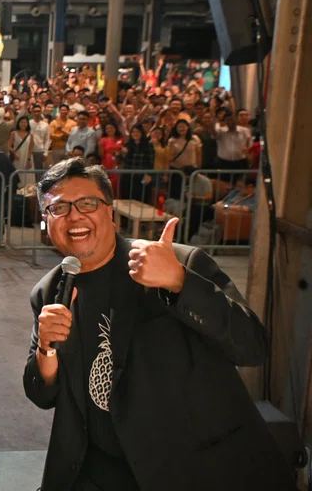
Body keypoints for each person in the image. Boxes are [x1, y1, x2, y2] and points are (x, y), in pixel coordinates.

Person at [22, 158, 293, 490]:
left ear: (110, 210)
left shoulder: (177, 262)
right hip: (99, 471)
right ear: (45, 221)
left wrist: (180, 282)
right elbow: (41, 394)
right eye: (58, 208)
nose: (74, 216)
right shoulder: (49, 291)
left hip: (191, 469)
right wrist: (46, 352)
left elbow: (251, 345)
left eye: (87, 203)